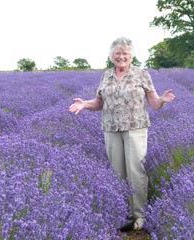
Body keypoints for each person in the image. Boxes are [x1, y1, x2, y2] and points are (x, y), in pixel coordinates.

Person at [69, 37, 175, 231]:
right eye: (117, 53)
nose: (121, 57)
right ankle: (122, 213)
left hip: (135, 127)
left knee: (136, 170)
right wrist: (84, 104)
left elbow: (154, 103)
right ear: (111, 56)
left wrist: (163, 100)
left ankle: (140, 215)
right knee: (117, 173)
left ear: (131, 56)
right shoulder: (106, 76)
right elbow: (99, 102)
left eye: (125, 53)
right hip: (111, 128)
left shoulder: (142, 75)